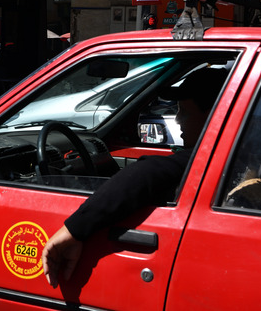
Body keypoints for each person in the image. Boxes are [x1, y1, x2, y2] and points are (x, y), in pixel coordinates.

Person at [41, 67, 229, 288]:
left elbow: (147, 174)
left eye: (184, 112)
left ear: (213, 116)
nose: (177, 120)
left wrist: (72, 229)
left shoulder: (210, 158)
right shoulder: (239, 153)